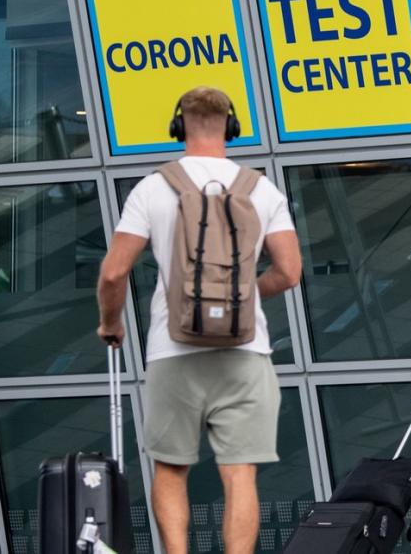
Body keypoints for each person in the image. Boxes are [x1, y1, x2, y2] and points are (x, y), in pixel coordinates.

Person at [95, 87, 302, 554]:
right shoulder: (262, 188)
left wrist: (111, 323)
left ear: (178, 126)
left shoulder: (152, 188)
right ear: (231, 126)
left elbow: (113, 272)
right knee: (240, 472)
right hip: (246, 351)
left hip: (174, 348)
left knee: (171, 470)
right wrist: (245, 295)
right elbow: (290, 272)